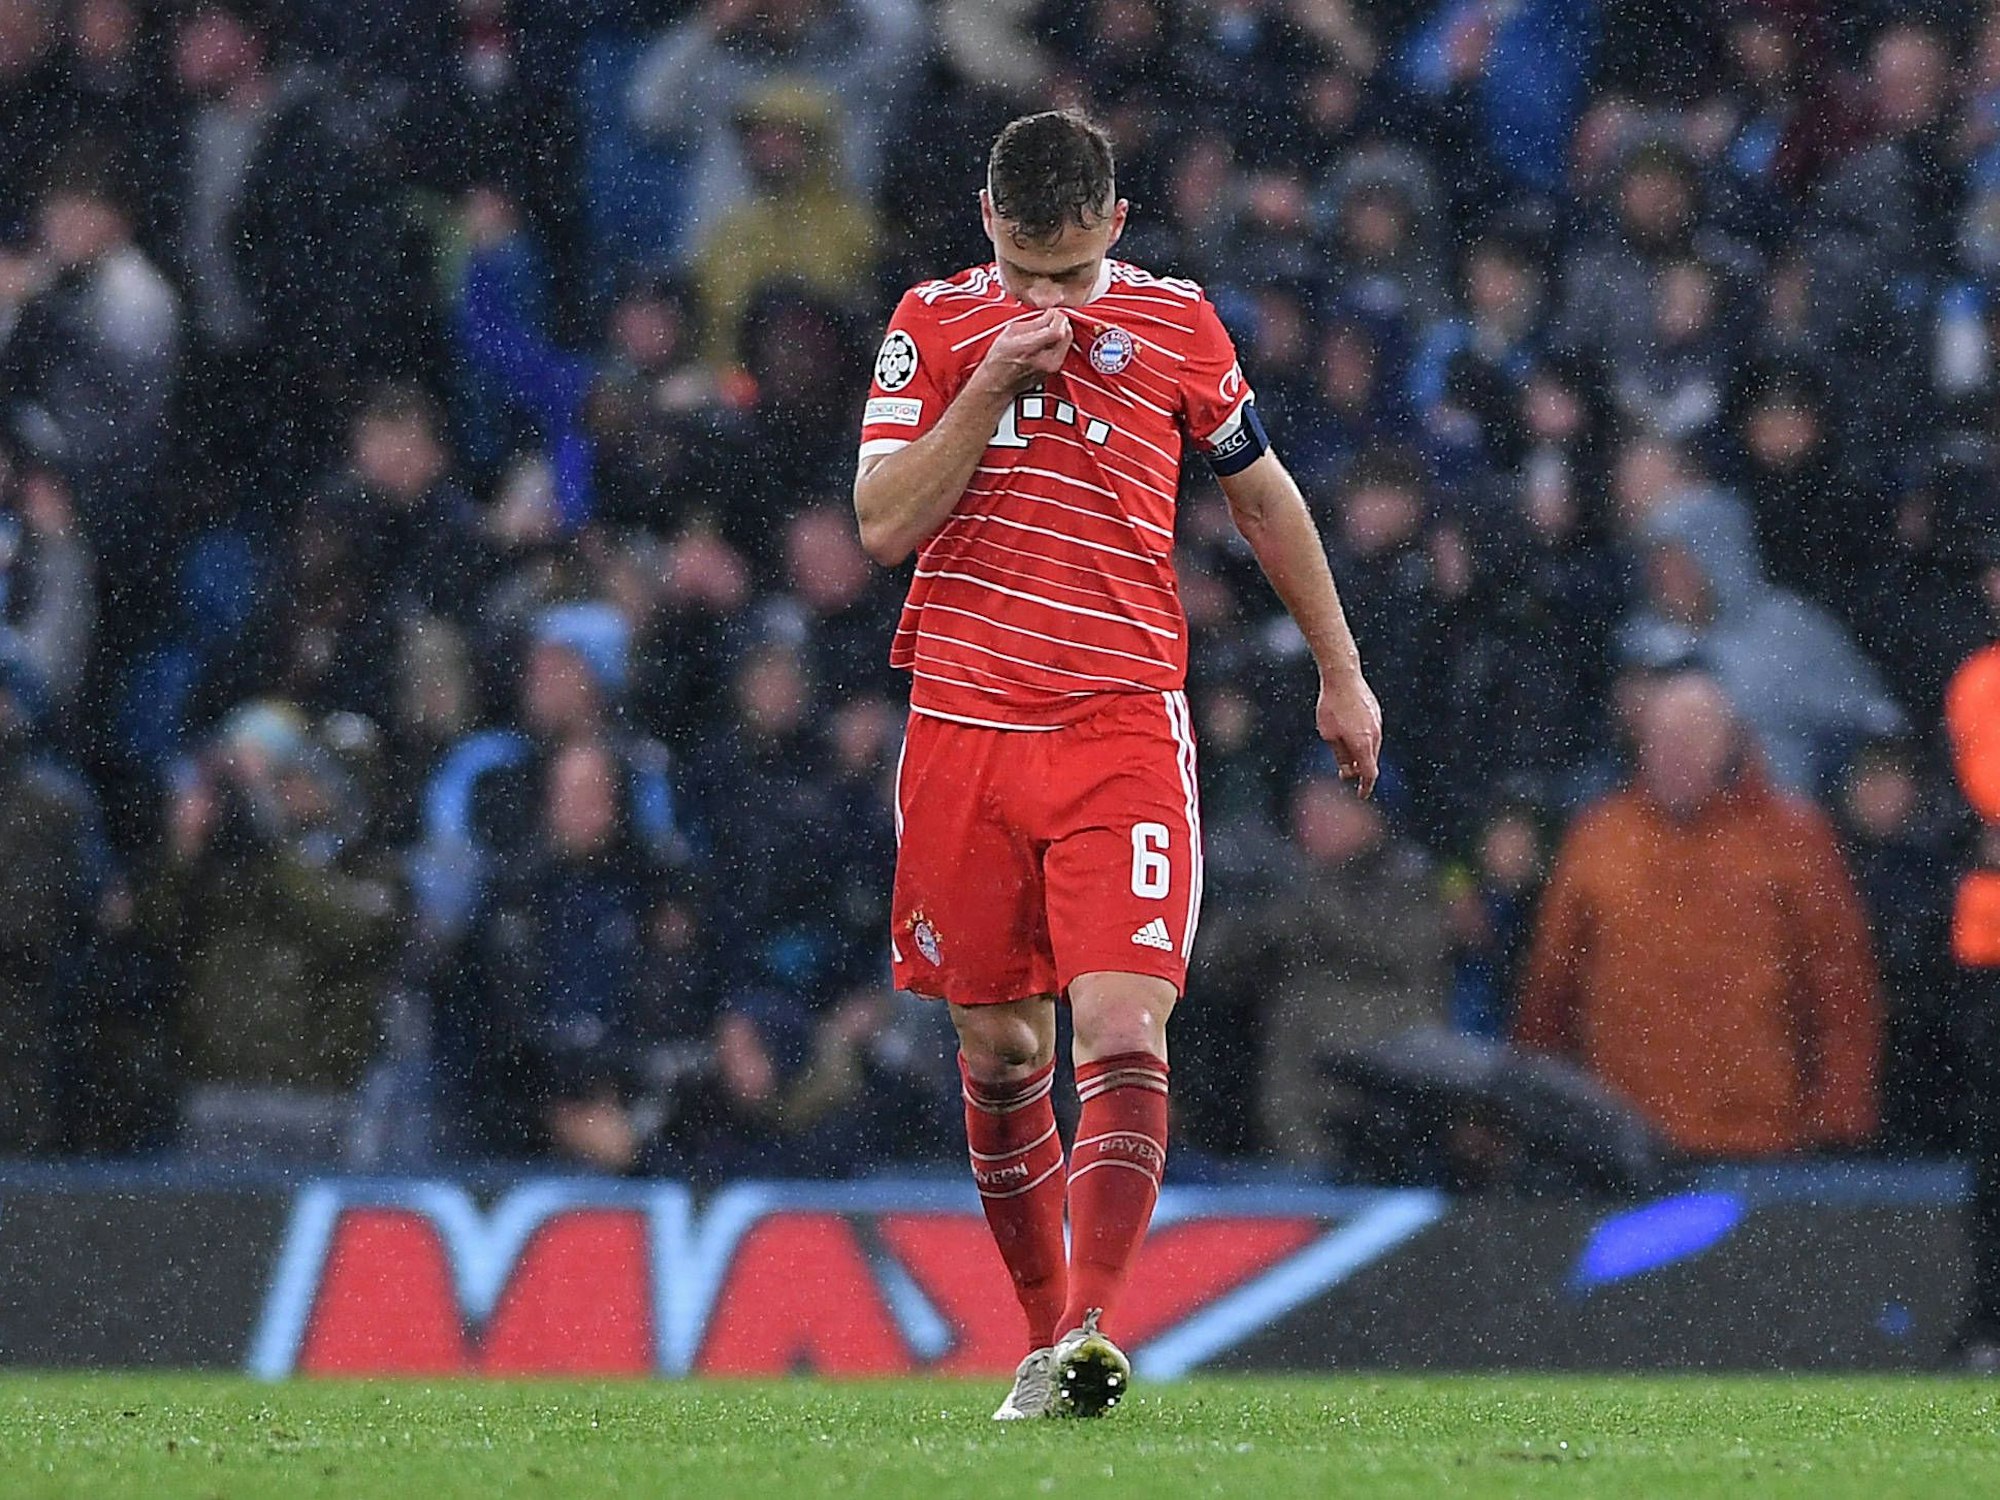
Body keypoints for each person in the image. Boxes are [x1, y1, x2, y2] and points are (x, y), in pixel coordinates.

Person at [851, 110, 1381, 1418]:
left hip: (1119, 730)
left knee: (1124, 1019)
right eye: (1025, 273)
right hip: (965, 732)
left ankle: (1092, 1330)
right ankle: (1043, 1343)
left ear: (1116, 229)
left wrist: (1340, 668)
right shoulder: (930, 322)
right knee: (999, 1053)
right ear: (988, 223)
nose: (1045, 298)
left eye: (1069, 275)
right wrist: (990, 379)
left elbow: (1263, 495)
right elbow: (880, 525)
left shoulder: (1183, 330)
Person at [1513, 671, 1881, 1160]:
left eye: (1693, 735)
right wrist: (1534, 1114)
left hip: (1761, 1138)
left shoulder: (1792, 838)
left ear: (1729, 743)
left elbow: (1840, 988)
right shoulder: (1599, 837)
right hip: (1624, 1140)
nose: (1675, 752)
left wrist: (1839, 1118)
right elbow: (1552, 988)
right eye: (1662, 737)